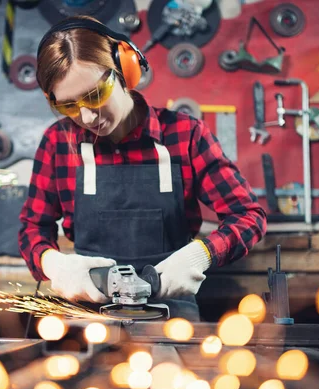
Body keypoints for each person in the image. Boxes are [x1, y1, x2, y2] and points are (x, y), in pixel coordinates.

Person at [18, 15, 267, 321]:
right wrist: (53, 263)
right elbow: (32, 228)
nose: (86, 117)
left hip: (171, 313)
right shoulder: (58, 143)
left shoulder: (185, 135)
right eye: (68, 106)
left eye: (95, 95)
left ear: (125, 71)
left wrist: (200, 255)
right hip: (90, 316)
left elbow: (248, 216)